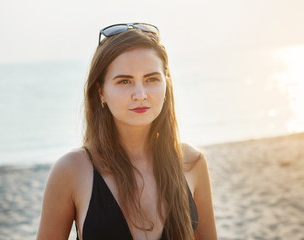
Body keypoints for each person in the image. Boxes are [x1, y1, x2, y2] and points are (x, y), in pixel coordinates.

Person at [37, 23, 217, 240]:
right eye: (124, 81)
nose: (140, 94)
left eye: (151, 79)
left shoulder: (191, 162)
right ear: (101, 92)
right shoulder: (72, 170)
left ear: (166, 84)